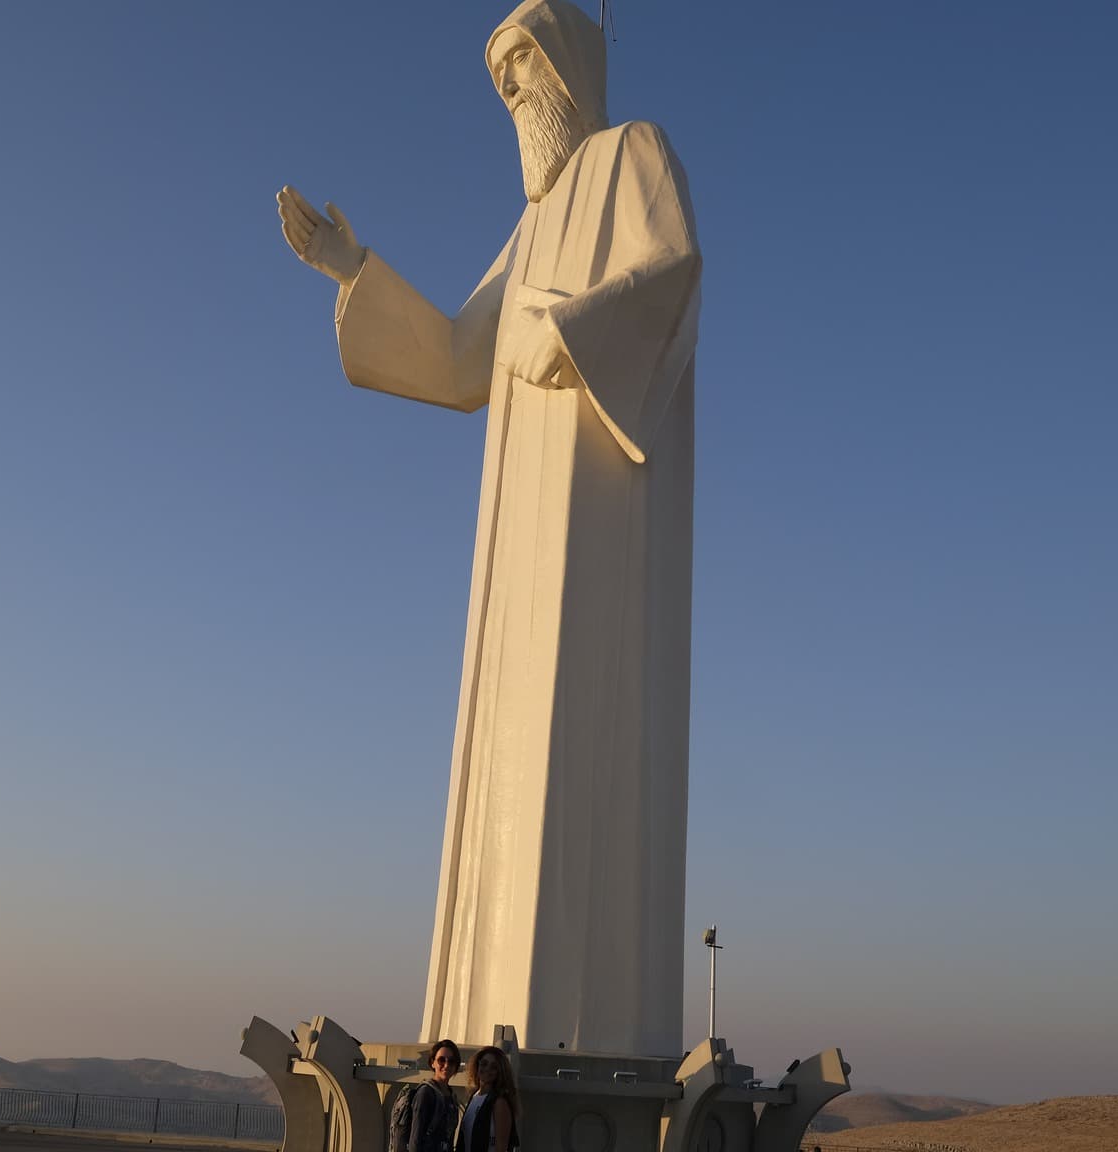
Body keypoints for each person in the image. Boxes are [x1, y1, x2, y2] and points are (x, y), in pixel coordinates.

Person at [276, 0, 703, 1056]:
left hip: (599, 520)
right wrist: (352, 269)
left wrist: (574, 333)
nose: (509, 90)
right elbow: (464, 360)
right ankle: (472, 1051)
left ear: (571, 69)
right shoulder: (529, 228)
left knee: (582, 736)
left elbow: (673, 272)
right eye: (500, 74)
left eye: (523, 65)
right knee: (508, 752)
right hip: (516, 535)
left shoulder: (631, 157)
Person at [457, 1047, 518, 1152]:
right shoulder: (474, 1097)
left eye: (494, 1067)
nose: (487, 1069)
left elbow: (501, 1147)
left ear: (500, 1071)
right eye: (484, 1064)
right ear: (477, 1065)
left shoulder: (499, 1102)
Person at [407, 1041, 462, 1152]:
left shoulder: (452, 1097)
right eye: (441, 1060)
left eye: (451, 1061)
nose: (446, 1065)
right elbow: (415, 1139)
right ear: (433, 1062)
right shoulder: (426, 1093)